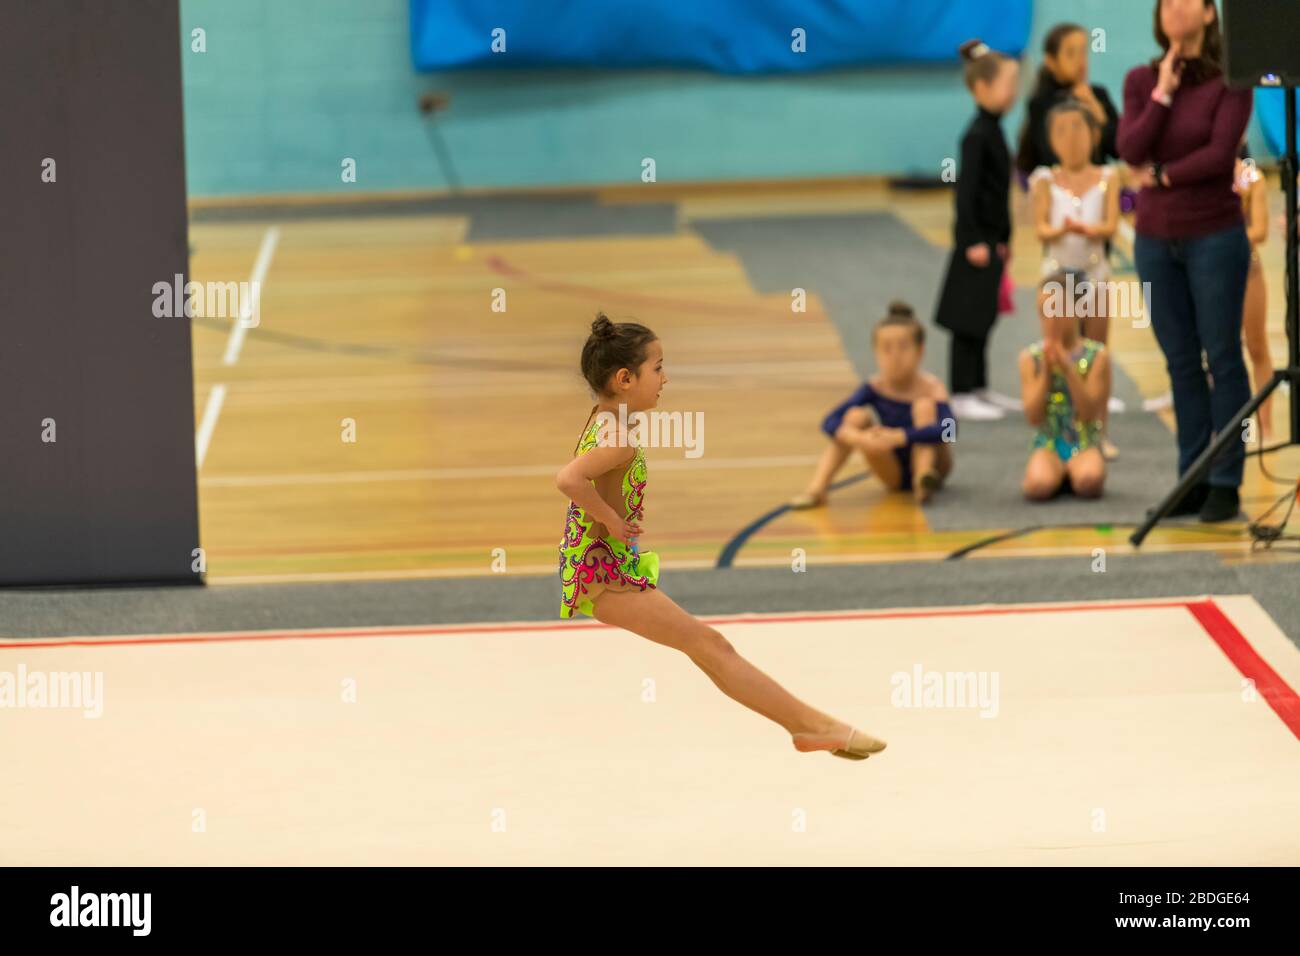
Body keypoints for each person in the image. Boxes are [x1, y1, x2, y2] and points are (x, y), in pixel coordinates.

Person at [557, 314, 887, 760]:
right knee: (709, 644)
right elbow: (569, 480)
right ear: (624, 378)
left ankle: (809, 726)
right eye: (656, 367)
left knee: (706, 647)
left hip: (604, 570)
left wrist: (608, 524)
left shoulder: (604, 420)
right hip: (602, 576)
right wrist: (612, 523)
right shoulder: (617, 439)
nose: (664, 377)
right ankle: (811, 726)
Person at [1117, 0, 1253, 522]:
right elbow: (1130, 147)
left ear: (1208, 14)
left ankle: (1226, 478)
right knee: (1179, 362)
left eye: (1185, 0)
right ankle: (1191, 476)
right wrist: (1163, 93)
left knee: (1223, 358)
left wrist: (1162, 176)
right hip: (1154, 241)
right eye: (1165, 2)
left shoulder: (1230, 81)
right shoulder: (1139, 80)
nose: (1173, 8)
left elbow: (1220, 157)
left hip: (1214, 236)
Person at [1028, 98, 1123, 458]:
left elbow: (1112, 225)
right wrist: (1060, 230)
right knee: (1056, 350)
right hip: (1056, 276)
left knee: (1097, 352)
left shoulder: (1108, 177)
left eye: (1078, 128)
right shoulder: (1044, 180)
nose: (1071, 138)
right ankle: (1055, 431)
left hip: (1095, 272)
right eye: (1061, 131)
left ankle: (1098, 432)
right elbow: (1039, 226)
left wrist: (1089, 228)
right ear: (1051, 139)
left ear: (1094, 134)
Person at [791, 301, 954, 509]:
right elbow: (829, 421)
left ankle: (922, 480)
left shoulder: (931, 388)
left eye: (903, 348)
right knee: (854, 417)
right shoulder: (875, 387)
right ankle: (817, 488)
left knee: (923, 407)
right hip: (892, 468)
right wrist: (861, 438)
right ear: (875, 353)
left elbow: (950, 431)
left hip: (934, 465)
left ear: (920, 351)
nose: (895, 357)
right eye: (886, 349)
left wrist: (901, 436)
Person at [934, 39, 1021, 422]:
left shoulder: (995, 130)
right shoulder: (976, 136)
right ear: (982, 88)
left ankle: (980, 385)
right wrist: (972, 241)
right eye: (1008, 85)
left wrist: (1005, 240)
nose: (1014, 93)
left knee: (984, 316)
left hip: (992, 242)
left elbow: (999, 194)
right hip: (976, 244)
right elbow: (966, 194)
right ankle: (960, 391)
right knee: (966, 320)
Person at [1019, 271, 1112, 500]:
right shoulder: (1030, 358)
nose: (1051, 319)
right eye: (1044, 312)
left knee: (1089, 482)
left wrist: (1067, 367)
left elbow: (1090, 413)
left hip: (1084, 441)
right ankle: (1056, 471)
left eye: (1057, 310)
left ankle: (1074, 470)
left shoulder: (1097, 355)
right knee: (1037, 487)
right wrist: (1048, 371)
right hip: (1048, 442)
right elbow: (1033, 416)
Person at [1016, 23, 1121, 178]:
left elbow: (1119, 150)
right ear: (1051, 61)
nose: (1081, 61)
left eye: (1083, 52)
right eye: (1071, 53)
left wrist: (1096, 109)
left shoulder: (1098, 95)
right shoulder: (1041, 103)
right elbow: (1049, 157)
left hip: (1097, 186)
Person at [1235, 146, 1273, 441]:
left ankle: (1267, 426)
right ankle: (1232, 429)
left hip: (1248, 270)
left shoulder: (1251, 177)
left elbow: (1260, 230)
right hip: (1211, 272)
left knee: (1257, 346)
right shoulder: (1204, 176)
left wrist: (1221, 236)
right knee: (1221, 352)